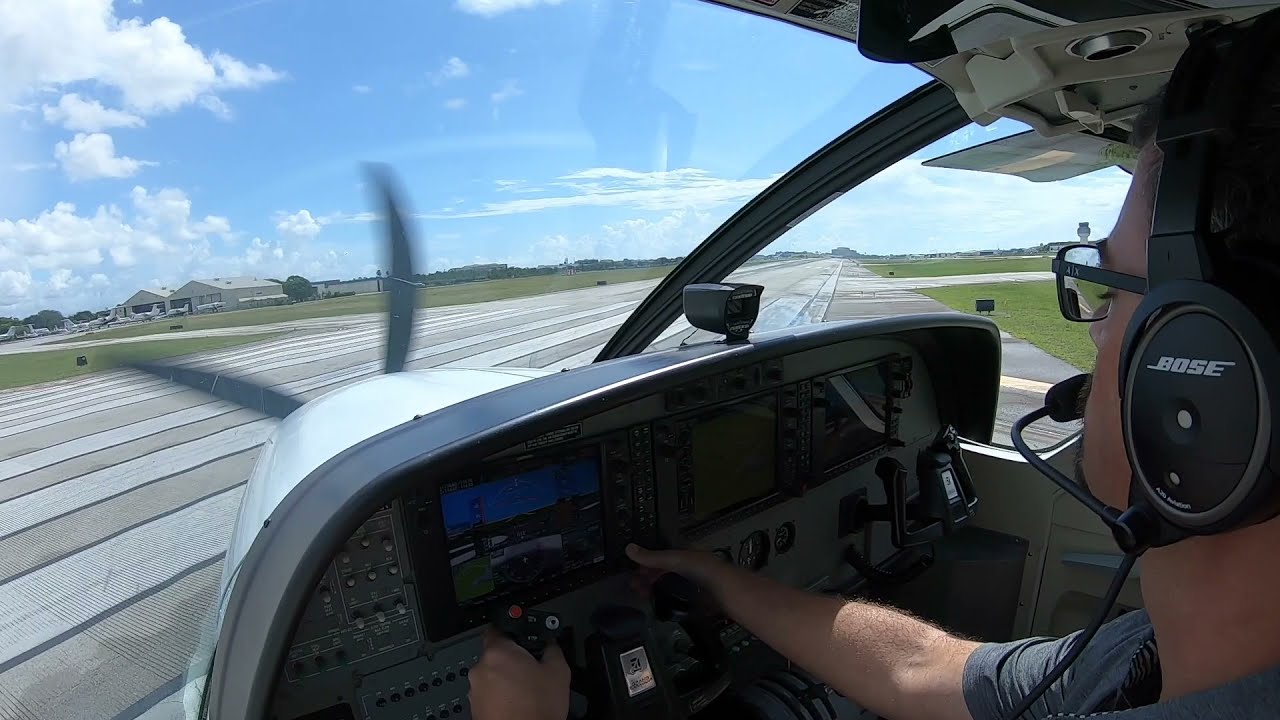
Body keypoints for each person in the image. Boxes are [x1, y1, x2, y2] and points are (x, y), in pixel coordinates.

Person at [466, 63, 1280, 720]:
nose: (1093, 345)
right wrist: (721, 579)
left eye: (1107, 294)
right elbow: (924, 669)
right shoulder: (1148, 655)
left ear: (1211, 383)